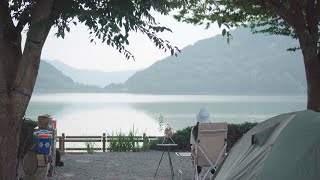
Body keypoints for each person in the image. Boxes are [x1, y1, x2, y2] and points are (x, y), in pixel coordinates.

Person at [190, 107, 215, 176]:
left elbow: (194, 147)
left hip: (201, 159)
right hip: (215, 157)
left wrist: (192, 149)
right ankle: (213, 171)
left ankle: (199, 173)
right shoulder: (216, 130)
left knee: (194, 151)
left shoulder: (194, 130)